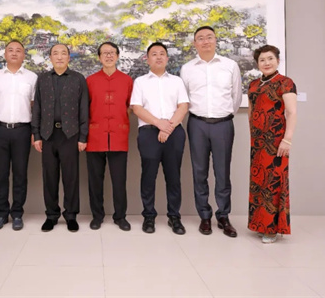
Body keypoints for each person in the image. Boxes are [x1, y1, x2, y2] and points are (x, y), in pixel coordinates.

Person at [180, 25, 242, 238]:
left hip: (223, 124)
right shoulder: (187, 68)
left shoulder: (230, 65)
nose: (205, 41)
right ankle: (204, 216)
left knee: (223, 172)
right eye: (200, 38)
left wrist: (224, 115)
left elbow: (236, 97)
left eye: (209, 37)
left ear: (216, 40)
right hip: (197, 123)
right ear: (194, 43)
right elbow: (184, 98)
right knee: (199, 172)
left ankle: (223, 216)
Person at [131, 42, 189, 235]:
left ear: (167, 58)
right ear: (147, 59)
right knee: (148, 175)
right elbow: (137, 108)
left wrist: (168, 127)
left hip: (174, 131)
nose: (158, 57)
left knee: (173, 176)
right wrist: (159, 124)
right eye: (154, 54)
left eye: (162, 53)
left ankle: (174, 216)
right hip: (148, 132)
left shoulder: (177, 81)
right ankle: (149, 216)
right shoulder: (140, 82)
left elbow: (183, 106)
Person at [31, 43, 89, 232]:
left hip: (70, 135)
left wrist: (83, 136)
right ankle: (51, 215)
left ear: (69, 57)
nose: (59, 56)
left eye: (63, 53)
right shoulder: (42, 79)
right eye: (55, 53)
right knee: (49, 177)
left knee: (71, 177)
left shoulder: (78, 79)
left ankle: (71, 215)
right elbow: (37, 107)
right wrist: (36, 134)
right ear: (50, 58)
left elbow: (84, 109)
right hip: (47, 134)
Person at [0, 40, 37, 231]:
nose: (14, 53)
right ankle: (1, 214)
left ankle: (17, 214)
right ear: (5, 54)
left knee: (20, 174)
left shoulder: (32, 78)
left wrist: (35, 132)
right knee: (0, 174)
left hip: (23, 130)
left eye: (18, 50)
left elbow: (35, 107)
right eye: (10, 50)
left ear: (24, 55)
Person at [247, 44, 297, 244]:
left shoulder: (285, 82)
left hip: (276, 141)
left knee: (273, 182)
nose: (266, 63)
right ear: (257, 63)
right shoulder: (253, 85)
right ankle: (260, 224)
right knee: (259, 182)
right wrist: (253, 135)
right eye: (262, 60)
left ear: (277, 60)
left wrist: (287, 139)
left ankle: (272, 228)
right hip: (257, 142)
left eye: (270, 59)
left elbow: (291, 112)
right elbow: (251, 112)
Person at [86, 42, 133, 231]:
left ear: (118, 56)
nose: (108, 56)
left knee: (119, 181)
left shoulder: (127, 80)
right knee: (95, 181)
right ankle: (97, 216)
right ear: (99, 57)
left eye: (112, 52)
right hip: (95, 136)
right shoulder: (90, 81)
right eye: (104, 53)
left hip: (118, 135)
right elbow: (85, 108)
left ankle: (120, 216)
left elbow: (130, 106)